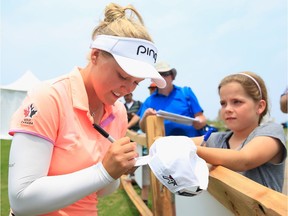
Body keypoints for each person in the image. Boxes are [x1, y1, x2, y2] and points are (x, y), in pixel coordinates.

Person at [7, 3, 166, 216]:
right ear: (95, 56)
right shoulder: (48, 98)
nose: (128, 89)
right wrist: (103, 171)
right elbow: (21, 200)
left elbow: (102, 191)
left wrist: (116, 170)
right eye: (123, 76)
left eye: (136, 82)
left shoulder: (117, 112)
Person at [192, 72, 287, 192]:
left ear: (260, 106)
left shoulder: (272, 131)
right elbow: (180, 142)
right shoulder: (217, 138)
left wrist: (191, 149)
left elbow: (243, 160)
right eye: (223, 103)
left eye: (236, 102)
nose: (228, 109)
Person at [139, 61, 207, 136]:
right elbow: (143, 129)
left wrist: (200, 122)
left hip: (191, 144)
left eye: (165, 74)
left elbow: (201, 117)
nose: (162, 77)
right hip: (163, 145)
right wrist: (146, 115)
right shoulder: (149, 101)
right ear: (153, 79)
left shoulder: (186, 92)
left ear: (172, 76)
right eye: (158, 75)